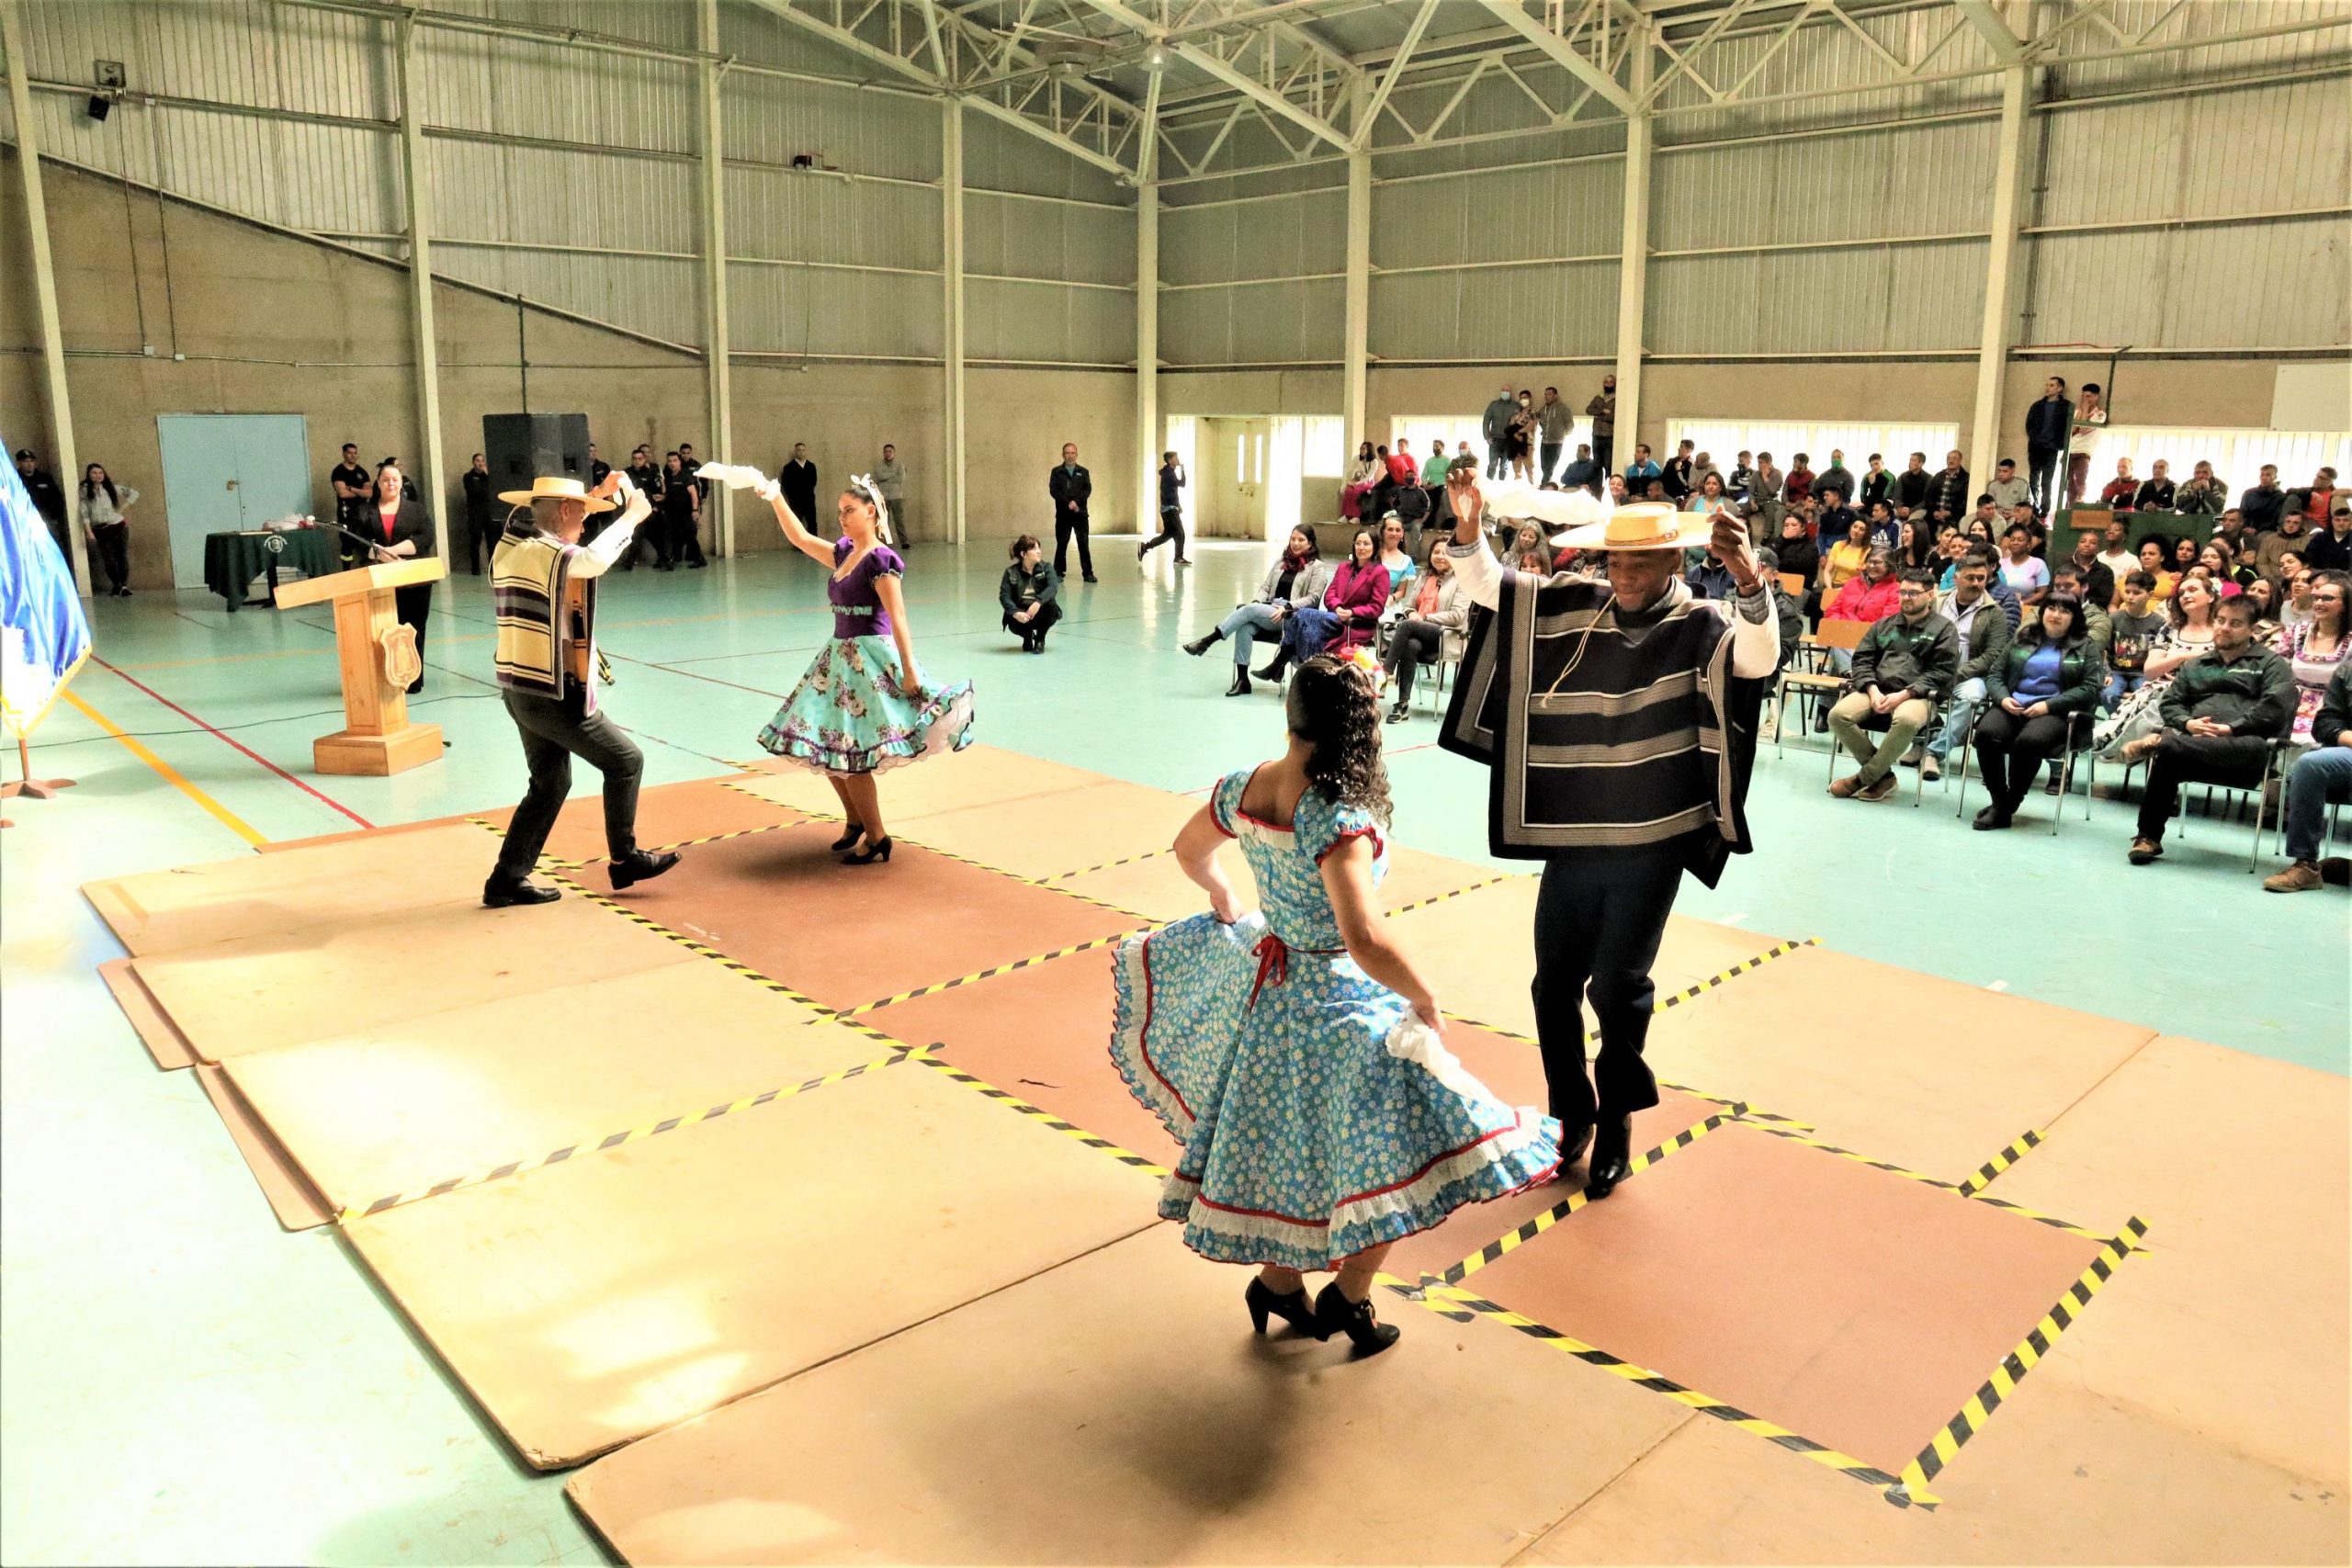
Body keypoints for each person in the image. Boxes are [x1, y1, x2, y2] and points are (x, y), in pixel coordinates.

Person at [1108, 655, 1561, 1354]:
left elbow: (1188, 848)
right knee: (1399, 1144)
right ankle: (1348, 1297)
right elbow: (1366, 935)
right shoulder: (1337, 815)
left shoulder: (1247, 784)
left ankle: (1280, 1286)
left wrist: (1225, 897)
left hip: (1273, 995)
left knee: (1293, 1145)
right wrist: (1425, 995)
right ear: (1358, 730)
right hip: (1338, 1001)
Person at [1439, 481, 1778, 1200]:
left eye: (1641, 563)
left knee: (1618, 987)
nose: (1624, 575)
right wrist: (1470, 530)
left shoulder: (1701, 620)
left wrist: (1749, 579)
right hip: (1575, 834)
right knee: (1552, 985)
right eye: (1616, 562)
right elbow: (1494, 587)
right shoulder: (1575, 603)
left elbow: (1756, 660)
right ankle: (1572, 1115)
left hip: (1652, 841)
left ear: (1672, 564)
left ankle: (1618, 1117)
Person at [707, 464, 976, 863]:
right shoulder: (844, 552)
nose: (842, 517)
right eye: (839, 512)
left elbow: (898, 618)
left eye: (849, 509)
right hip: (838, 660)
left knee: (854, 752)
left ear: (871, 511)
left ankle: (878, 835)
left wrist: (910, 669)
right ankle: (855, 821)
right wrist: (771, 493)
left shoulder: (880, 560)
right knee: (827, 747)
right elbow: (799, 538)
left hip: (868, 662)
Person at [483, 469, 677, 908]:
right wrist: (631, 517)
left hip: (520, 689)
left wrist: (592, 496)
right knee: (626, 761)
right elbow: (591, 560)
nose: (587, 523)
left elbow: (536, 514)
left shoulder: (508, 548)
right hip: (551, 693)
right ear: (565, 512)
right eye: (582, 514)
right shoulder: (541, 551)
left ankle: (506, 879)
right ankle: (625, 859)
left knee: (550, 784)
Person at [2120, 593, 2294, 865]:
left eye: (2235, 624)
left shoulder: (2271, 664)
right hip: (2194, 750)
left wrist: (2230, 728)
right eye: (2221, 621)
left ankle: (2156, 743)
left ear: (2251, 630)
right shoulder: (2197, 664)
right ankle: (2148, 837)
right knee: (2169, 754)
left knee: (2169, 747)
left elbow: (2275, 708)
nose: (2224, 628)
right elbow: (2172, 702)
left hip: (2246, 751)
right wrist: (2187, 723)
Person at [1970, 593, 2105, 829]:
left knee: (2030, 742)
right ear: (2042, 612)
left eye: (2065, 610)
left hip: (2056, 711)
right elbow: (1995, 675)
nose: (2056, 615)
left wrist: (2049, 705)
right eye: (2051, 608)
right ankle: (2000, 801)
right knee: (1986, 734)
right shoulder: (2023, 637)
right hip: (2014, 704)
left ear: (2074, 617)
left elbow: (2090, 688)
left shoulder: (2086, 646)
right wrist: (2002, 699)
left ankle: (2007, 804)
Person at [1826, 569, 1958, 802]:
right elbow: (1862, 659)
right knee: (1838, 715)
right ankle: (1884, 776)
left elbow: (1941, 672)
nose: (1906, 597)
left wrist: (1904, 695)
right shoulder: (1883, 625)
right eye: (1903, 592)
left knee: (1906, 720)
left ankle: (1863, 779)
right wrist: (1872, 688)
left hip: (1919, 696)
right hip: (1877, 689)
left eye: (1914, 593)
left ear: (1930, 595)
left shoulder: (1944, 629)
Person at [1185, 528, 1333, 696]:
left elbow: (1313, 598)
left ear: (1310, 543)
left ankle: (1209, 640)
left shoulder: (1317, 567)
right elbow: (1266, 587)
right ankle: (1242, 680)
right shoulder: (1280, 562)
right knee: (1245, 626)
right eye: (1293, 539)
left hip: (1292, 617)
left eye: (1301, 540)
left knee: (1246, 611)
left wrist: (1288, 607)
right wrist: (1256, 602)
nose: (1296, 543)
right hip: (1268, 611)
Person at [1918, 554, 2013, 781]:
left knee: (1972, 697)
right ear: (1956, 578)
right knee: (1911, 686)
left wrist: (1957, 673)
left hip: (1970, 676)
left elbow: (1993, 655)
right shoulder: (1936, 603)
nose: (1976, 583)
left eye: (1981, 578)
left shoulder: (1994, 612)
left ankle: (1933, 753)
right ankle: (1916, 740)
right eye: (1970, 578)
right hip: (1931, 671)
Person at [2264, 661, 2352, 893]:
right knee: (2310, 764)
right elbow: (2325, 723)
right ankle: (2305, 865)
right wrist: (2346, 736)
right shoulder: (2347, 671)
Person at [1275, 526, 1388, 675]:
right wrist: (1338, 607)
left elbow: (1377, 607)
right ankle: (1312, 675)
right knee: (1309, 631)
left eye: (1366, 544)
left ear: (1374, 547)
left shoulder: (1380, 572)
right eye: (1358, 543)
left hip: (1355, 623)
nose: (1361, 547)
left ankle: (1283, 660)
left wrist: (1351, 612)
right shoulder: (1344, 567)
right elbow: (1330, 594)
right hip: (1333, 618)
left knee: (1302, 613)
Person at [361, 464, 434, 692]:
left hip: (413, 579)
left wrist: (395, 551)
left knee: (413, 629)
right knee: (382, 630)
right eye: (385, 479)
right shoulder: (364, 511)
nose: (391, 483)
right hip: (379, 579)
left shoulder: (417, 509)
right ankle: (385, 678)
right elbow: (357, 542)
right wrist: (379, 555)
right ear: (378, 482)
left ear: (401, 482)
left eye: (395, 479)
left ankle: (412, 679)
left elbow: (425, 538)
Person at [1382, 538, 1468, 723]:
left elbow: (1458, 616)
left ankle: (1384, 672)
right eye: (1436, 552)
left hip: (1445, 635)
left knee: (1406, 626)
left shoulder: (1462, 580)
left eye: (1446, 553)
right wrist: (1412, 613)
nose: (1440, 556)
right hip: (1419, 632)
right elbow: (1409, 606)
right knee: (1411, 645)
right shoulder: (1424, 577)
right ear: (1430, 556)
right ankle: (1402, 704)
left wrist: (1425, 618)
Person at [2278, 570, 2349, 745]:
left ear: (2346, 604)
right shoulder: (2296, 632)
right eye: (2316, 598)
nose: (2319, 603)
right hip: (2290, 706)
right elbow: (2278, 672)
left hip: (2332, 712)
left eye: (2327, 598)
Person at [74, 463, 139, 598]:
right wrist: (88, 530)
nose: (98, 475)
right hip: (100, 528)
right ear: (89, 475)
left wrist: (121, 509)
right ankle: (117, 584)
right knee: (108, 559)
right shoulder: (84, 490)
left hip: (117, 526)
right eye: (94, 473)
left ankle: (124, 586)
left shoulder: (111, 488)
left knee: (121, 556)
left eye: (100, 473)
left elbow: (133, 493)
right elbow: (84, 511)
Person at [2106, 571, 2167, 709]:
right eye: (2127, 592)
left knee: (2149, 697)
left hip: (2142, 673)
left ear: (2150, 595)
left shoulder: (2158, 622)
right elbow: (2105, 649)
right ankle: (2116, 725)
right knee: (2108, 694)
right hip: (2116, 671)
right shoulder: (2115, 618)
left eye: (2137, 593)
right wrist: (2107, 672)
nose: (2130, 597)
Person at [997, 534, 1061, 654]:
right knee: (1011, 613)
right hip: (1022, 612)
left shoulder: (1046, 568)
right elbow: (1004, 596)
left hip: (1041, 611)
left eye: (1039, 548)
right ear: (1023, 554)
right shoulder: (1011, 572)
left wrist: (1038, 602)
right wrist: (1015, 613)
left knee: (1050, 604)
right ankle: (1027, 637)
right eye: (1034, 549)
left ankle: (1040, 640)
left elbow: (1053, 587)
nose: (1039, 552)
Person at [2025, 376, 2072, 513]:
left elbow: (2068, 427)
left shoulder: (2065, 407)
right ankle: (2034, 506)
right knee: (2034, 477)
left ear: (2059, 388)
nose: (2048, 387)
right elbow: (2029, 424)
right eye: (2047, 385)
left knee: (2047, 480)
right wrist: (2034, 438)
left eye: (2051, 385)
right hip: (2036, 446)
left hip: (2052, 448)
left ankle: (2045, 508)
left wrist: (2060, 444)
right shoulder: (2038, 406)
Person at [1049, 442, 1094, 583]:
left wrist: (1076, 501)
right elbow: (1054, 490)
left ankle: (1088, 574)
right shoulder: (1056, 472)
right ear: (1063, 455)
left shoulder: (1084, 472)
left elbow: (1087, 490)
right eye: (1067, 453)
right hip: (1063, 514)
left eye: (1072, 453)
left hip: (1080, 514)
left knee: (1083, 543)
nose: (1070, 456)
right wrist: (1068, 502)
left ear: (1076, 454)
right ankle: (1058, 573)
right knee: (1061, 544)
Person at [15, 448, 68, 561]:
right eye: (25, 461)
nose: (29, 464)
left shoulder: (44, 478)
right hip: (25, 523)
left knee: (56, 551)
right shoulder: (15, 480)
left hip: (48, 520)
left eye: (31, 461)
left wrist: (55, 516)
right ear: (19, 463)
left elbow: (57, 498)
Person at [657, 450, 704, 569]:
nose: (672, 463)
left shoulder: (685, 476)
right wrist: (662, 497)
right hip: (673, 512)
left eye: (675, 461)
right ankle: (675, 559)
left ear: (679, 462)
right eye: (669, 461)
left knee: (689, 536)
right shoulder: (668, 477)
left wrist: (694, 510)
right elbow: (669, 494)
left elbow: (693, 494)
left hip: (686, 512)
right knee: (676, 536)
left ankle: (697, 559)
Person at [1140, 450, 1188, 564]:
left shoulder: (1168, 472)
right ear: (1170, 460)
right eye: (1176, 458)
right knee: (1180, 533)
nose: (1178, 460)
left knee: (1168, 534)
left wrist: (1177, 505)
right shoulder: (1169, 473)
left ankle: (1145, 547)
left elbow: (1171, 490)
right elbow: (1181, 484)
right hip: (1169, 509)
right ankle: (1178, 557)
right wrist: (1182, 469)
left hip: (1168, 508)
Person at [2066, 382, 2108, 503]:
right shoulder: (2076, 412)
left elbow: (2083, 429)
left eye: (2089, 396)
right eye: (2084, 397)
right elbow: (2073, 430)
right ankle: (2068, 506)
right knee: (2069, 484)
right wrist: (2081, 410)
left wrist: (2085, 409)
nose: (2086, 400)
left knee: (2080, 481)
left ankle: (2079, 502)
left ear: (2096, 397)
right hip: (2071, 451)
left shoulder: (2099, 414)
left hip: (2083, 452)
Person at [1820, 515, 1873, 600]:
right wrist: (1830, 590)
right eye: (1855, 527)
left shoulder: (1869, 551)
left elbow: (1867, 580)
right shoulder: (1838, 545)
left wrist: (1844, 590)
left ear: (1866, 533)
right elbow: (1827, 571)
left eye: (1861, 529)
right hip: (1834, 586)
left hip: (1855, 591)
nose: (1856, 531)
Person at [1998, 522, 2051, 606]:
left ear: (2028, 544)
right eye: (2012, 539)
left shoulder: (2038, 564)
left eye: (2020, 540)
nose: (2015, 542)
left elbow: (2042, 593)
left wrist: (2021, 603)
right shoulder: (2000, 563)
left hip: (2026, 607)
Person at [460, 453, 494, 574]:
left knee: (491, 540)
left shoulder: (488, 477)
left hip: (488, 512)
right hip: (475, 512)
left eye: (482, 461)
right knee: (475, 540)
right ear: (473, 462)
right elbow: (475, 492)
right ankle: (475, 569)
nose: (480, 463)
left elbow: (490, 492)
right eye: (477, 461)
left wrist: (487, 476)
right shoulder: (468, 477)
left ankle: (492, 567)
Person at [1924, 450, 1971, 528]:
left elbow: (1965, 500)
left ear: (1960, 461)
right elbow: (1929, 496)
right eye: (1949, 458)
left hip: (1955, 516)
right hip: (1934, 515)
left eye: (1954, 458)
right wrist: (1934, 511)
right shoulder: (1938, 476)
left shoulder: (1966, 478)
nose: (1951, 461)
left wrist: (1950, 512)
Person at [1482, 385, 1519, 480]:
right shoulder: (1493, 405)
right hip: (1495, 439)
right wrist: (1487, 437)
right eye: (1503, 390)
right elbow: (1486, 420)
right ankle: (1488, 484)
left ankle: (1502, 486)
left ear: (1510, 392)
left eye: (1507, 390)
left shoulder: (1515, 405)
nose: (1505, 392)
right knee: (1492, 464)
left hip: (1508, 440)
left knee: (1504, 466)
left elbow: (1519, 423)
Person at [780, 443, 820, 533]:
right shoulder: (789, 468)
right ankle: (798, 547)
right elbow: (786, 484)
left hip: (809, 500)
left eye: (803, 450)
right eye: (799, 450)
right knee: (796, 525)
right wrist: (794, 494)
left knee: (812, 524)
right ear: (795, 452)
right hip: (796, 501)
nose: (801, 452)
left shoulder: (811, 466)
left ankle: (814, 546)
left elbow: (813, 482)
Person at [1537, 387, 1572, 484]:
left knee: (1550, 466)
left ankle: (1544, 485)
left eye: (1549, 394)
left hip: (1556, 442)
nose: (1547, 396)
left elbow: (1569, 424)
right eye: (1546, 394)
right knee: (1544, 466)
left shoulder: (1563, 409)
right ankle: (1548, 484)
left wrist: (1562, 434)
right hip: (1545, 441)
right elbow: (1540, 421)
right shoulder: (1543, 409)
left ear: (1555, 396)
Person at [2303, 502, 2352, 572]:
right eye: (2337, 520)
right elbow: (2308, 560)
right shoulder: (2320, 538)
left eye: (2345, 520)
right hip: (2320, 577)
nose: (2341, 523)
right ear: (2332, 521)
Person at [1341, 441, 1382, 520]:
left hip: (1367, 483)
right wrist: (1348, 482)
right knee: (1348, 491)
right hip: (1356, 481)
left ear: (1369, 450)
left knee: (1355, 491)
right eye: (1361, 449)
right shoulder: (1357, 458)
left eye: (1364, 449)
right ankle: (1347, 515)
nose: (1361, 451)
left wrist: (1356, 483)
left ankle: (1357, 516)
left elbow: (1368, 477)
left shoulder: (1374, 462)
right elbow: (1350, 470)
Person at [1584, 375, 1616, 476]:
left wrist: (1599, 416)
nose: (1608, 384)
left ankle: (1607, 486)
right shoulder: (1598, 397)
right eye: (1606, 382)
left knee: (1608, 464)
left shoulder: (1617, 398)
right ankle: (1596, 488)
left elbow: (1615, 416)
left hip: (1609, 435)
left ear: (1614, 384)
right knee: (1597, 464)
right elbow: (1589, 410)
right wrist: (1602, 411)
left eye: (1611, 382)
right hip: (1597, 433)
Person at [2240, 463, 2286, 532]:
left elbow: (2275, 519)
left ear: (2275, 477)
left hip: (2267, 531)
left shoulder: (2280, 497)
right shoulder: (2249, 493)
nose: (2264, 478)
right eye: (2262, 475)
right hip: (2246, 529)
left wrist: (2256, 530)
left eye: (2268, 475)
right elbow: (2242, 514)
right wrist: (2245, 528)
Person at [1663, 439, 1696, 504]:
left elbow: (1688, 484)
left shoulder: (1692, 465)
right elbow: (1663, 478)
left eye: (1681, 447)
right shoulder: (1671, 461)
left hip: (1682, 497)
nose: (1679, 449)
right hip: (1666, 494)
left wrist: (1679, 470)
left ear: (1688, 450)